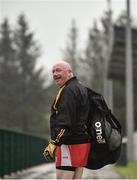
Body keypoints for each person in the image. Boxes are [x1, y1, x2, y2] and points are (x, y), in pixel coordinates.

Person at [43, 61, 91, 179]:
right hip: (81, 141)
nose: (55, 74)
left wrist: (54, 142)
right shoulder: (80, 88)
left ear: (69, 72)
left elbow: (65, 122)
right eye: (53, 71)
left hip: (70, 143)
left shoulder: (68, 91)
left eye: (58, 70)